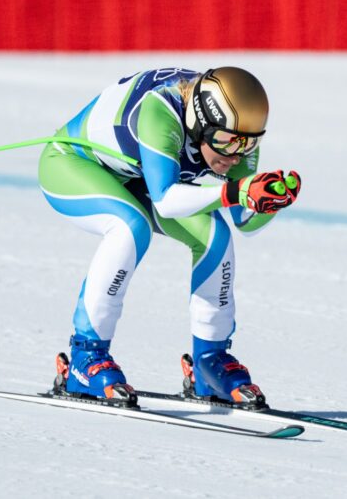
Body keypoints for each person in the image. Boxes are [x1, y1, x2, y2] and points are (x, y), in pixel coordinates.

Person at [40, 67, 301, 407]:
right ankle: (85, 357)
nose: (236, 155)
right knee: (129, 228)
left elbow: (246, 221)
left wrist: (271, 200)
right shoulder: (161, 111)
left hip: (134, 177)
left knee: (215, 236)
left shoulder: (236, 130)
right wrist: (235, 191)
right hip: (71, 165)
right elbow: (165, 199)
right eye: (225, 141)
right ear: (200, 122)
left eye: (249, 143)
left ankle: (209, 363)